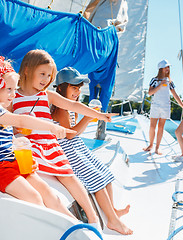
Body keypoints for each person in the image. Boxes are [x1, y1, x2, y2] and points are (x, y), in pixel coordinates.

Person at [12, 49, 116, 229]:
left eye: (49, 75)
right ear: (27, 70)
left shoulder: (46, 96)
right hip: (30, 146)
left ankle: (93, 218)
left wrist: (100, 116)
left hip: (50, 145)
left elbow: (73, 105)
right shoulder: (13, 96)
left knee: (69, 176)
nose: (45, 79)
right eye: (42, 74)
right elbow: (7, 120)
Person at [0, 56, 76, 219]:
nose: (13, 95)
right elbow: (20, 119)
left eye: (14, 89)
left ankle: (74, 226)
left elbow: (5, 140)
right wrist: (53, 127)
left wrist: (18, 148)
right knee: (34, 198)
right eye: (9, 89)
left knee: (49, 193)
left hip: (10, 163)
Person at [51, 67, 133, 235]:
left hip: (76, 145)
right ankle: (112, 220)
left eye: (79, 88)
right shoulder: (60, 109)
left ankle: (113, 211)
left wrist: (89, 117)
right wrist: (87, 119)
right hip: (68, 150)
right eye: (74, 87)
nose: (77, 91)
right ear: (60, 87)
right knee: (95, 177)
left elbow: (74, 134)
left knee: (104, 172)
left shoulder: (69, 108)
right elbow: (70, 134)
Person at [143, 59, 183, 154]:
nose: (168, 68)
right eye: (166, 67)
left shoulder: (170, 81)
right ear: (161, 68)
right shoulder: (154, 80)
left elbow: (175, 95)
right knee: (152, 127)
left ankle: (157, 148)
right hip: (155, 105)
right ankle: (150, 145)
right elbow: (150, 93)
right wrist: (160, 85)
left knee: (161, 127)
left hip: (165, 106)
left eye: (168, 67)